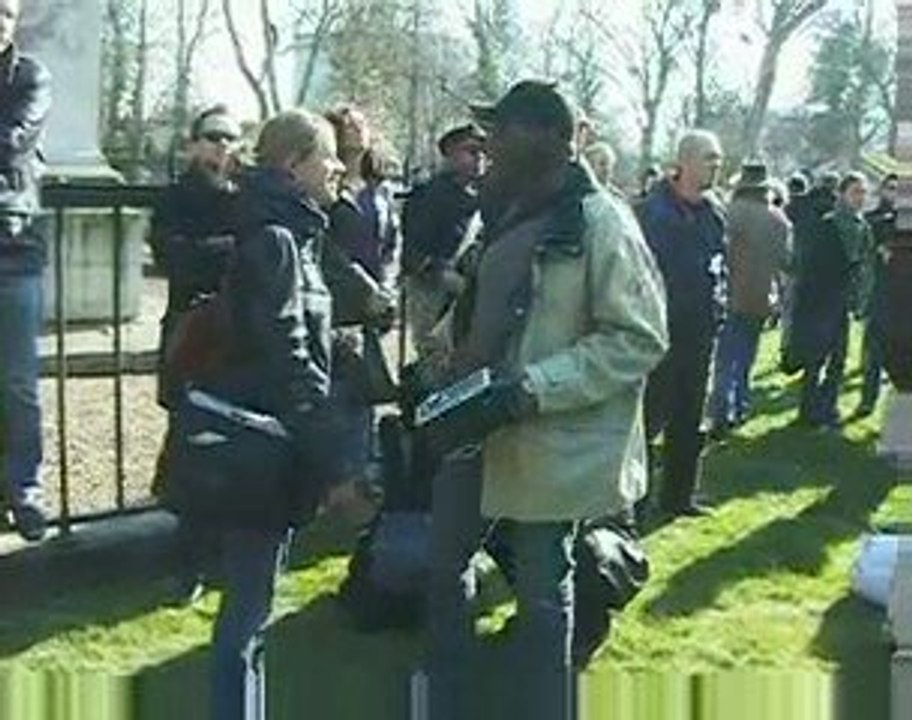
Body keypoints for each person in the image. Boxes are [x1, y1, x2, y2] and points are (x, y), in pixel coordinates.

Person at [422, 81, 668, 720]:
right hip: (468, 424)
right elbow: (481, 296)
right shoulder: (502, 208)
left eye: (499, 131)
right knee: (444, 565)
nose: (487, 145)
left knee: (541, 589)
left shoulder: (601, 222)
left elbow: (639, 338)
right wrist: (442, 351)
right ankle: (447, 700)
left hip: (543, 440)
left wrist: (529, 391)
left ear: (547, 140)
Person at [191, 109, 346, 720]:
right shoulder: (278, 240)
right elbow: (287, 356)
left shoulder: (290, 232)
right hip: (263, 448)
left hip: (269, 442)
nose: (338, 167)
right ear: (291, 165)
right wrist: (330, 454)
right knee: (248, 613)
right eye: (327, 155)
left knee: (252, 609)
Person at [149, 104, 241, 602]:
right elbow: (175, 258)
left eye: (229, 138)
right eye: (212, 137)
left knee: (234, 441)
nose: (221, 147)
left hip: (234, 335)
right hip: (189, 333)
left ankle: (223, 556)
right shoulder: (174, 198)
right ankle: (187, 564)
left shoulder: (245, 197)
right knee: (188, 442)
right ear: (192, 144)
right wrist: (230, 248)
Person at [636, 130, 727, 519]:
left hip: (700, 330)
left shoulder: (714, 214)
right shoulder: (651, 212)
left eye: (718, 159)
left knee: (690, 417)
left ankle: (678, 497)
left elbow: (719, 267)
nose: (716, 166)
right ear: (684, 161)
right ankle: (631, 503)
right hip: (658, 330)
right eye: (709, 158)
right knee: (646, 418)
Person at [0, 0, 52, 542]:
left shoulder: (30, 76)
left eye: (7, 12)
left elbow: (11, 143)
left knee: (17, 382)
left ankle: (24, 487)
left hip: (11, 248)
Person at [708, 163, 791, 435]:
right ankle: (741, 405)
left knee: (724, 357)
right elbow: (785, 262)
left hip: (730, 294)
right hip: (761, 296)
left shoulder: (727, 214)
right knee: (746, 357)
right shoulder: (779, 221)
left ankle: (720, 410)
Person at [793, 171, 873, 429]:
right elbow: (811, 266)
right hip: (821, 300)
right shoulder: (827, 225)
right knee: (817, 358)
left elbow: (864, 264)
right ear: (842, 194)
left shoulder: (863, 227)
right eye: (855, 192)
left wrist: (859, 297)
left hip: (843, 303)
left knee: (838, 358)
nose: (860, 198)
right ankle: (808, 410)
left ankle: (827, 407)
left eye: (863, 193)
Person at [401, 123, 486, 357]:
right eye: (471, 152)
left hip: (468, 298)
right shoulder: (427, 196)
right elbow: (412, 255)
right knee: (434, 361)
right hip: (433, 296)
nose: (479, 158)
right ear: (449, 153)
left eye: (482, 153)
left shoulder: (483, 197)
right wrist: (448, 279)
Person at [857, 173, 898, 417]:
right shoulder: (872, 220)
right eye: (891, 188)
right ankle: (868, 400)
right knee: (874, 353)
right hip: (880, 296)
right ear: (882, 190)